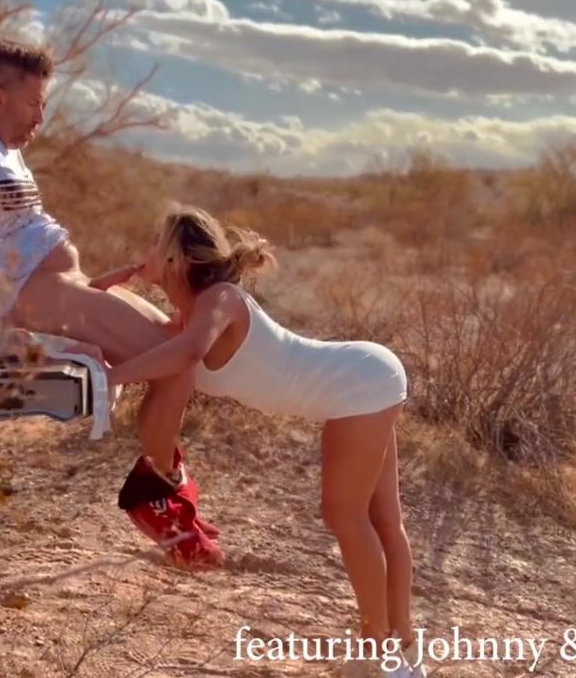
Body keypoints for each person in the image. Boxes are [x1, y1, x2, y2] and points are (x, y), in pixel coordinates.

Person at [0, 39, 224, 566]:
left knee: (171, 337)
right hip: (30, 296)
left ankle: (169, 487)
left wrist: (91, 283)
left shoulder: (1, 149)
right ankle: (159, 501)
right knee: (177, 362)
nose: (40, 118)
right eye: (33, 104)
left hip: (60, 288)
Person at [97, 205, 426, 678]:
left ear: (175, 257)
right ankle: (405, 656)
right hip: (361, 378)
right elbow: (102, 310)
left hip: (356, 382)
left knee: (346, 514)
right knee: (381, 520)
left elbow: (187, 353)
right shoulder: (190, 315)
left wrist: (111, 377)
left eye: (154, 242)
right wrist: (116, 279)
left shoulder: (220, 300)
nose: (144, 250)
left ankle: (379, 654)